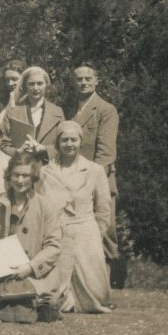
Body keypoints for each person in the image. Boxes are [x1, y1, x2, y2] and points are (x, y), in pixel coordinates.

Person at [0, 151, 62, 324]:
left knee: (32, 303)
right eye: (16, 175)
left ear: (33, 176)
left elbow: (53, 246)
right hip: (1, 272)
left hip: (32, 272)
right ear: (9, 175)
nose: (20, 181)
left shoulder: (46, 206)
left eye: (26, 175)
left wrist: (30, 267)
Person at [38, 120, 112, 313]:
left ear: (81, 141)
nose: (69, 144)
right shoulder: (46, 171)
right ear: (58, 143)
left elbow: (103, 208)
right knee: (52, 291)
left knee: (97, 293)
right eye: (64, 140)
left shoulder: (94, 170)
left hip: (85, 232)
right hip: (56, 231)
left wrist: (96, 234)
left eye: (73, 140)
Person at [73, 62, 121, 268]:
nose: (83, 83)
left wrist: (92, 181)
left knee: (105, 228)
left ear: (96, 81)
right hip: (74, 177)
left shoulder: (106, 110)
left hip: (99, 177)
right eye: (79, 79)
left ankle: (112, 273)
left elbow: (106, 152)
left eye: (88, 79)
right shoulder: (72, 109)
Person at [1, 66, 65, 157]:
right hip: (21, 166)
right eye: (31, 84)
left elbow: (64, 143)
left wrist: (45, 149)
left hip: (49, 167)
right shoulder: (13, 111)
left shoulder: (57, 112)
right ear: (25, 86)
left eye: (40, 83)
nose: (35, 88)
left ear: (46, 85)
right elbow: (2, 143)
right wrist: (17, 152)